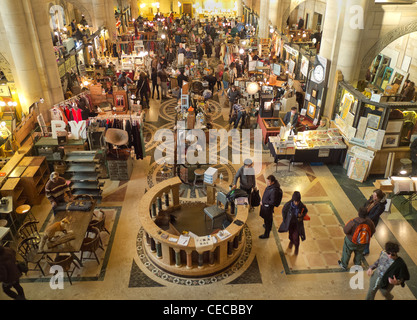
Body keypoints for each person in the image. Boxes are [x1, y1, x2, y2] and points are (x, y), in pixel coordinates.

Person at [363, 189, 387, 255]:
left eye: (375, 195)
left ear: (378, 197)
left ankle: (366, 250)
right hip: (366, 218)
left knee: (367, 235)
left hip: (371, 222)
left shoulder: (381, 206)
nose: (373, 196)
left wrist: (365, 218)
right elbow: (366, 204)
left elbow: (374, 215)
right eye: (373, 194)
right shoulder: (372, 199)